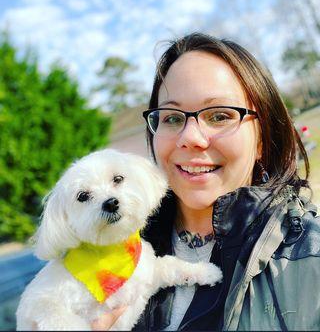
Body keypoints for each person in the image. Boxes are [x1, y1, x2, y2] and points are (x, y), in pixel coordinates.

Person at [93, 32, 320, 331]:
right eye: (172, 118)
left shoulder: (308, 258)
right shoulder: (108, 246)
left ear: (262, 138)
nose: (190, 138)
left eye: (219, 116)